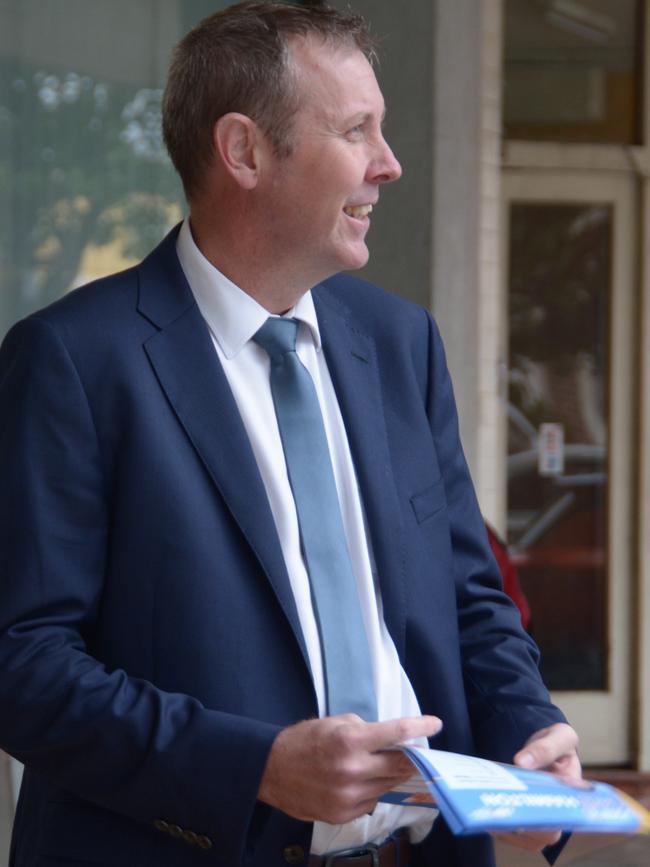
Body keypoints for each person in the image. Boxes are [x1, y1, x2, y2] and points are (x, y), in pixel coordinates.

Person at [0, 3, 580, 866]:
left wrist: (531, 732)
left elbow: (467, 596)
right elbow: (24, 665)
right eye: (358, 130)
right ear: (245, 151)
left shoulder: (400, 342)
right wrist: (255, 767)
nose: (390, 164)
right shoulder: (74, 360)